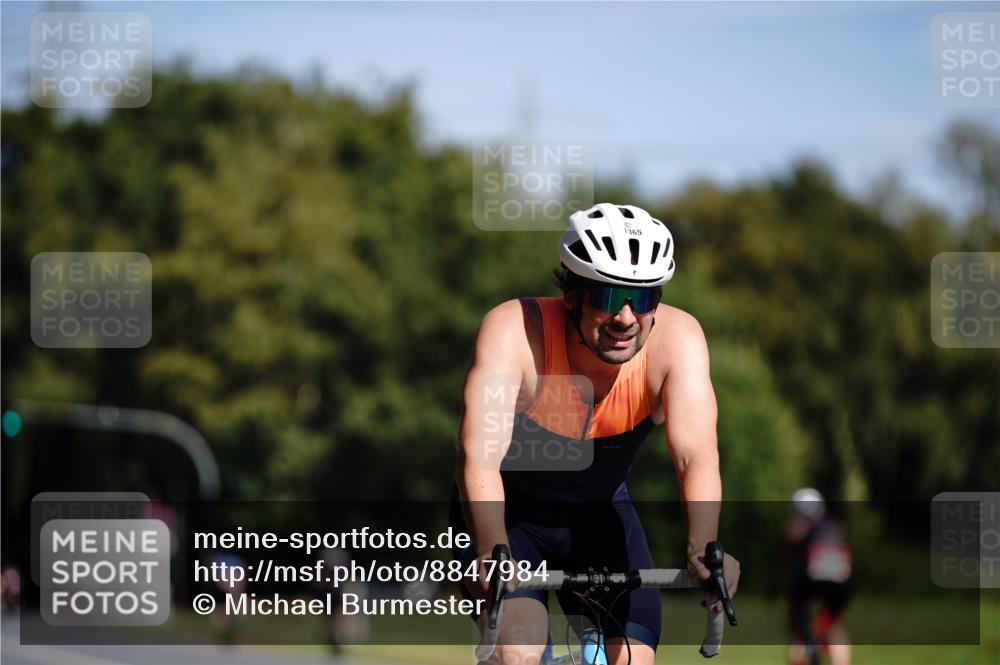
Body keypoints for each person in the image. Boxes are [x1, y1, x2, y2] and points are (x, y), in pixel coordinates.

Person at [451, 203, 740, 665]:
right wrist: (488, 547)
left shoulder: (678, 341)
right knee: (519, 652)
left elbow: (697, 456)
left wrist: (703, 546)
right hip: (508, 520)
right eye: (608, 296)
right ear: (571, 296)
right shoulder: (515, 331)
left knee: (632, 660)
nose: (625, 317)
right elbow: (479, 457)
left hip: (599, 519)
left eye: (642, 299)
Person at [785, 488, 852, 665]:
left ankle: (798, 659)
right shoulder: (834, 524)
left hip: (810, 576)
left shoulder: (799, 523)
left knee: (797, 619)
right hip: (842, 578)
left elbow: (791, 544)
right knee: (834, 622)